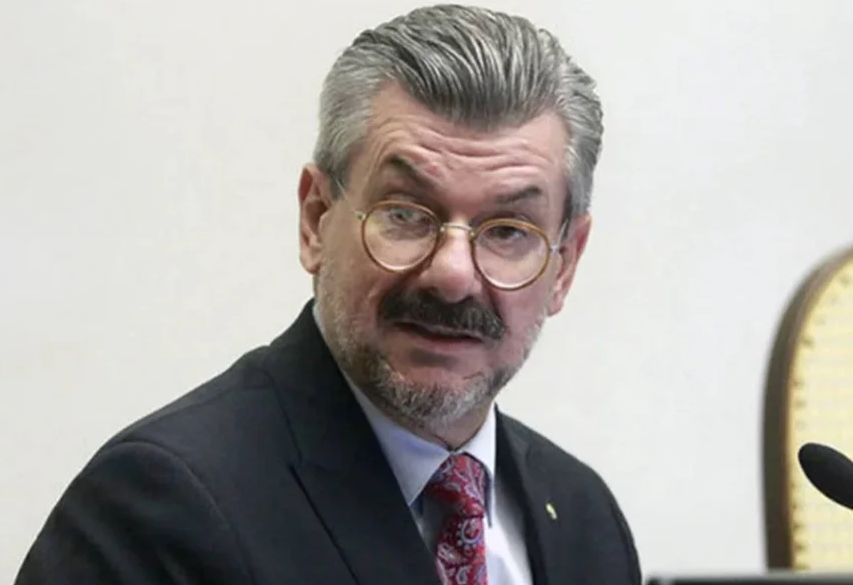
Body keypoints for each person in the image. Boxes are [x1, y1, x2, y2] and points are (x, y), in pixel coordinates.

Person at [15, 4, 641, 584]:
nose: (452, 276)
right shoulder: (161, 508)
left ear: (564, 265)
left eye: (507, 231)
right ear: (316, 219)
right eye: (405, 214)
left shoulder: (585, 521)